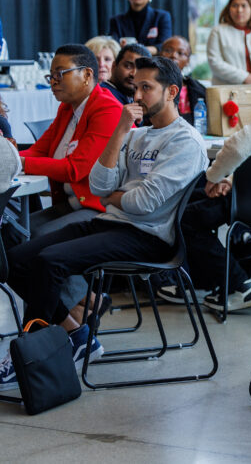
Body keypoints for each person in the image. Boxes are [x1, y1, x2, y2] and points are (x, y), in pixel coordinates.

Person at [1, 56, 207, 390]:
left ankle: (31, 355)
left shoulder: (184, 141)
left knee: (49, 263)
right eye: (135, 86)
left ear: (171, 92)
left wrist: (117, 195)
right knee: (14, 261)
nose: (136, 96)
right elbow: (99, 185)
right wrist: (122, 132)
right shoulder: (136, 135)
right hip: (110, 221)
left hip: (147, 236)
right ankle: (74, 336)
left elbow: (143, 204)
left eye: (146, 88)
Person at [158, 42, 251, 312]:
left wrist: (213, 177)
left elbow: (240, 145)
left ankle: (240, 285)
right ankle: (203, 283)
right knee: (189, 203)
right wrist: (231, 179)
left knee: (187, 216)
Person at [19, 44, 123, 322]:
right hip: (73, 204)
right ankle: (83, 304)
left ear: (87, 75)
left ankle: (67, 318)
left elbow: (76, 169)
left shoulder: (107, 109)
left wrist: (17, 163)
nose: (53, 82)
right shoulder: (68, 109)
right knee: (16, 235)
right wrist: (9, 157)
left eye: (60, 74)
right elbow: (38, 151)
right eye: (50, 76)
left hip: (103, 208)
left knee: (38, 241)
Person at [106, 0, 172, 54]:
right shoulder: (116, 21)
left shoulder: (161, 17)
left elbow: (164, 47)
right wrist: (119, 45)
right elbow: (112, 47)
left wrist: (135, 49)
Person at [160, 36, 206, 125]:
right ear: (160, 54)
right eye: (168, 50)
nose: (173, 55)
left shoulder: (198, 89)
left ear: (188, 60)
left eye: (180, 53)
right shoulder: (149, 86)